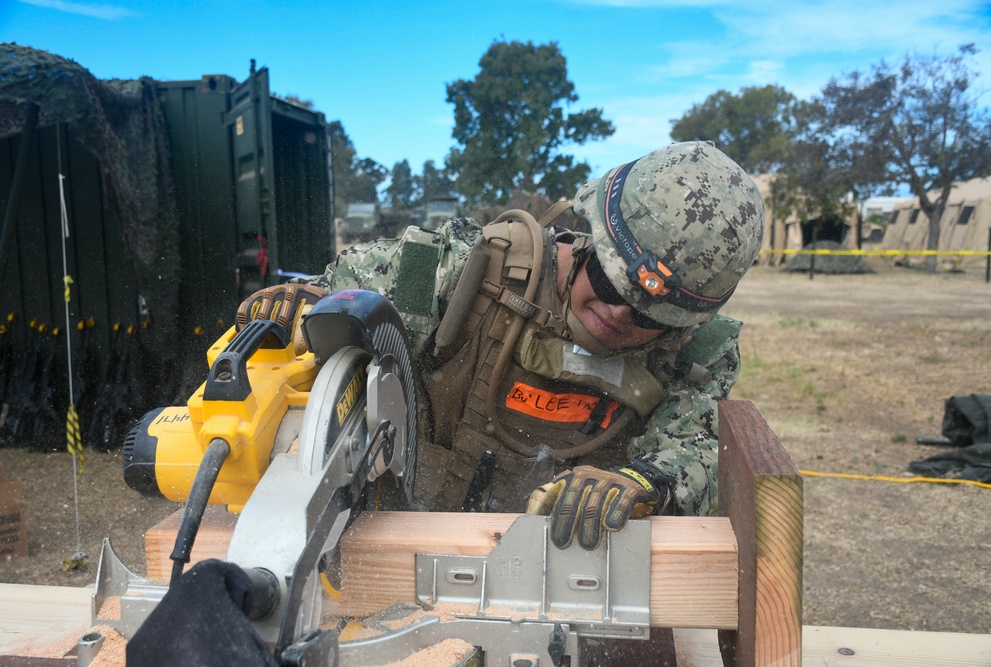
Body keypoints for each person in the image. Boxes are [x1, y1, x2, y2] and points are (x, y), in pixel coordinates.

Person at [246, 141, 765, 551]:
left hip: (572, 571)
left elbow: (699, 449)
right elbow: (338, 297)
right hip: (405, 543)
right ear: (594, 243)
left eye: (650, 314)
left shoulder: (696, 353)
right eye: (610, 285)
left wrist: (648, 482)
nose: (618, 313)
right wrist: (309, 305)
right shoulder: (463, 272)